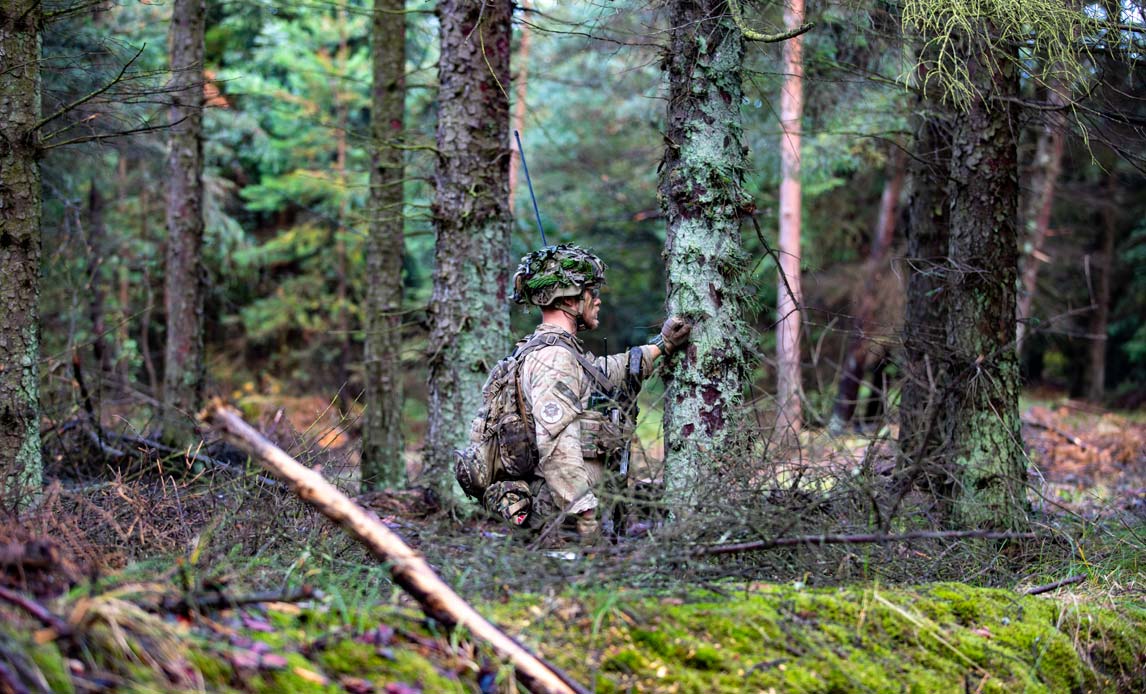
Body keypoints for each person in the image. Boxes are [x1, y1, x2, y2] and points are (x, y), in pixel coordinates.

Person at [476, 243, 691, 543]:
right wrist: (586, 517)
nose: (597, 300)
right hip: (563, 521)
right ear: (570, 300)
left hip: (562, 514)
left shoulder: (551, 350)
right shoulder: (554, 359)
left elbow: (602, 374)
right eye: (591, 292)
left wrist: (662, 345)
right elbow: (556, 446)